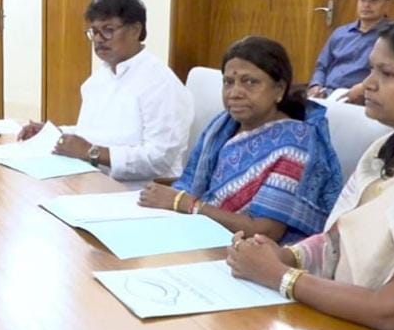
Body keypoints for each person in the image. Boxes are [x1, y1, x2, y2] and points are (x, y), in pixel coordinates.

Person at [228, 17, 394, 330]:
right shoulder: (384, 151)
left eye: (387, 74)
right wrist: (286, 255)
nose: (367, 84)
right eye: (371, 69)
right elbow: (336, 239)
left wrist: (282, 276)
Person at [139, 36, 343, 243]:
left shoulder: (295, 142)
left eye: (250, 82)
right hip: (201, 232)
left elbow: (265, 231)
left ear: (279, 89)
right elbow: (189, 186)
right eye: (228, 82)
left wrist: (186, 204)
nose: (235, 93)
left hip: (257, 251)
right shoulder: (222, 126)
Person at [18, 0, 193, 184]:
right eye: (94, 32)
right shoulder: (101, 77)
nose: (98, 39)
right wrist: (53, 134)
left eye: (108, 30)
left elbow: (159, 158)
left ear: (135, 30)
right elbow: (95, 133)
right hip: (91, 179)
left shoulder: (161, 83)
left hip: (139, 191)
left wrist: (91, 152)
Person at [307, 0, 393, 102]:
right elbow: (321, 66)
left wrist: (363, 88)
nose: (366, 5)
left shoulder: (391, 37)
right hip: (327, 94)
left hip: (364, 98)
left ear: (387, 5)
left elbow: (388, 74)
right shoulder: (340, 33)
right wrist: (315, 85)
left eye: (374, 0)